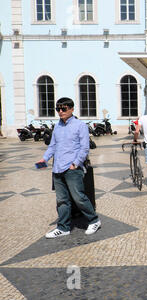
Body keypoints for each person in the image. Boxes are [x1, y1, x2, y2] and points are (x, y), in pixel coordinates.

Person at [37, 97, 101, 239]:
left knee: (79, 197)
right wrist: (44, 159)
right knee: (62, 200)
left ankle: (94, 220)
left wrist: (75, 163)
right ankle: (63, 227)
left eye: (64, 108)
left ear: (71, 109)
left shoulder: (80, 125)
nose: (60, 111)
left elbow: (84, 148)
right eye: (58, 109)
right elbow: (52, 146)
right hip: (57, 168)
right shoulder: (57, 127)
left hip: (72, 168)